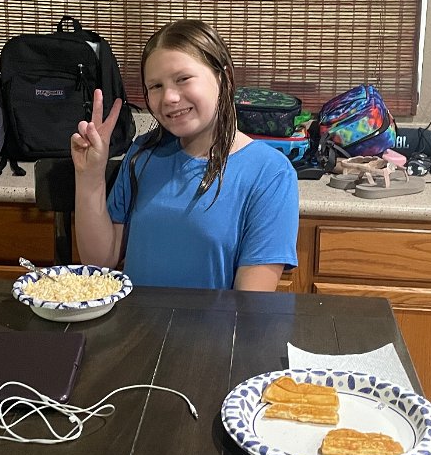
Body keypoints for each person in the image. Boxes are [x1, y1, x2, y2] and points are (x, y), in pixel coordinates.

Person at [71, 19, 299, 291]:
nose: (169, 97)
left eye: (183, 79)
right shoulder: (142, 154)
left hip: (215, 322)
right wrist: (90, 175)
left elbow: (250, 303)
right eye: (155, 86)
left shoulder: (270, 173)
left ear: (224, 77)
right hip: (135, 319)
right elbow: (100, 262)